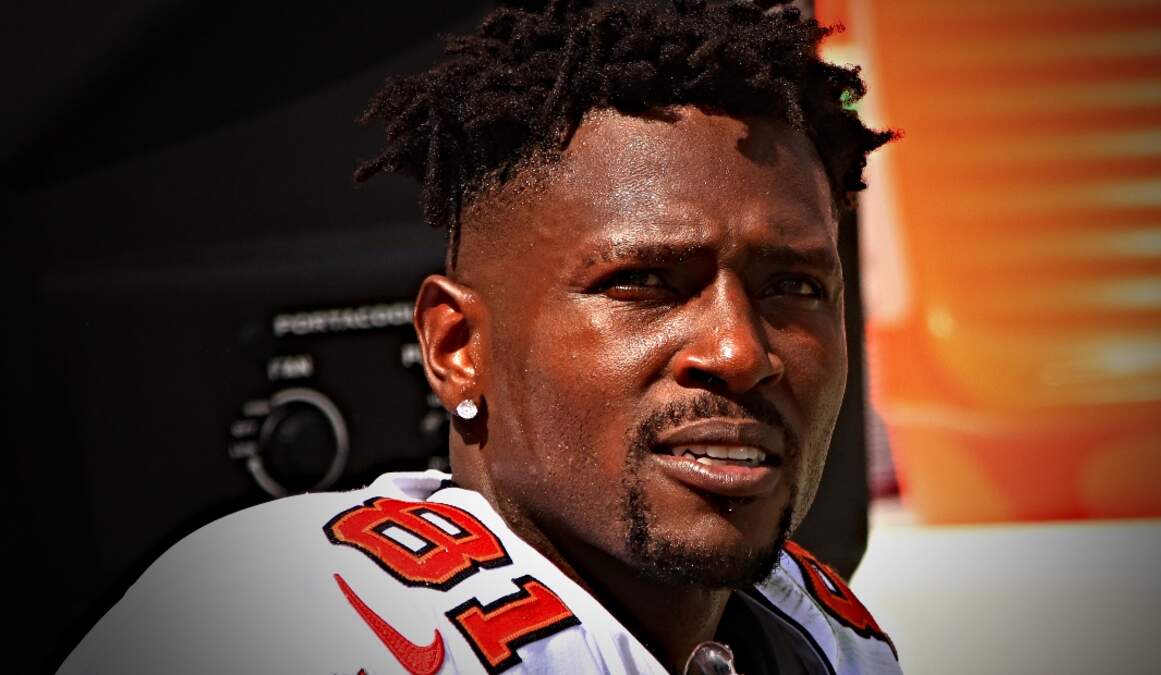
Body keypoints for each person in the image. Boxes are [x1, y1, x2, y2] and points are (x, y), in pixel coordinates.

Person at [58, 1, 898, 673]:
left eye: (794, 287)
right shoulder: (289, 623)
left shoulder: (828, 634)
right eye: (644, 282)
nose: (740, 351)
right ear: (457, 346)